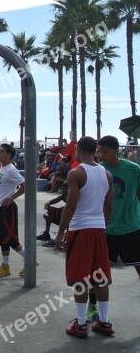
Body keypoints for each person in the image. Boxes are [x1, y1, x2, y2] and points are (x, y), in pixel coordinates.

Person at [55, 136, 114, 338]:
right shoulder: (106, 174)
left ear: (78, 149)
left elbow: (70, 206)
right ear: (95, 150)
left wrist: (61, 233)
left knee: (80, 279)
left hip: (81, 229)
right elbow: (108, 206)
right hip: (98, 230)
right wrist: (102, 225)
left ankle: (80, 325)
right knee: (101, 278)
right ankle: (104, 322)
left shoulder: (76, 173)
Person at [98, 135, 140, 282]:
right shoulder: (99, 170)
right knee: (99, 272)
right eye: (100, 152)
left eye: (106, 152)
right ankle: (94, 303)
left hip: (131, 226)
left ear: (116, 150)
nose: (102, 155)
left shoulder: (134, 169)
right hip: (106, 228)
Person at [0, 143, 30, 278]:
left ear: (9, 155)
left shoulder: (11, 170)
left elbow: (25, 185)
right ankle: (5, 266)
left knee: (11, 239)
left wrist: (11, 198)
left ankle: (29, 261)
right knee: (2, 239)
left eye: (2, 152)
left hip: (7, 209)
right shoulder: (3, 168)